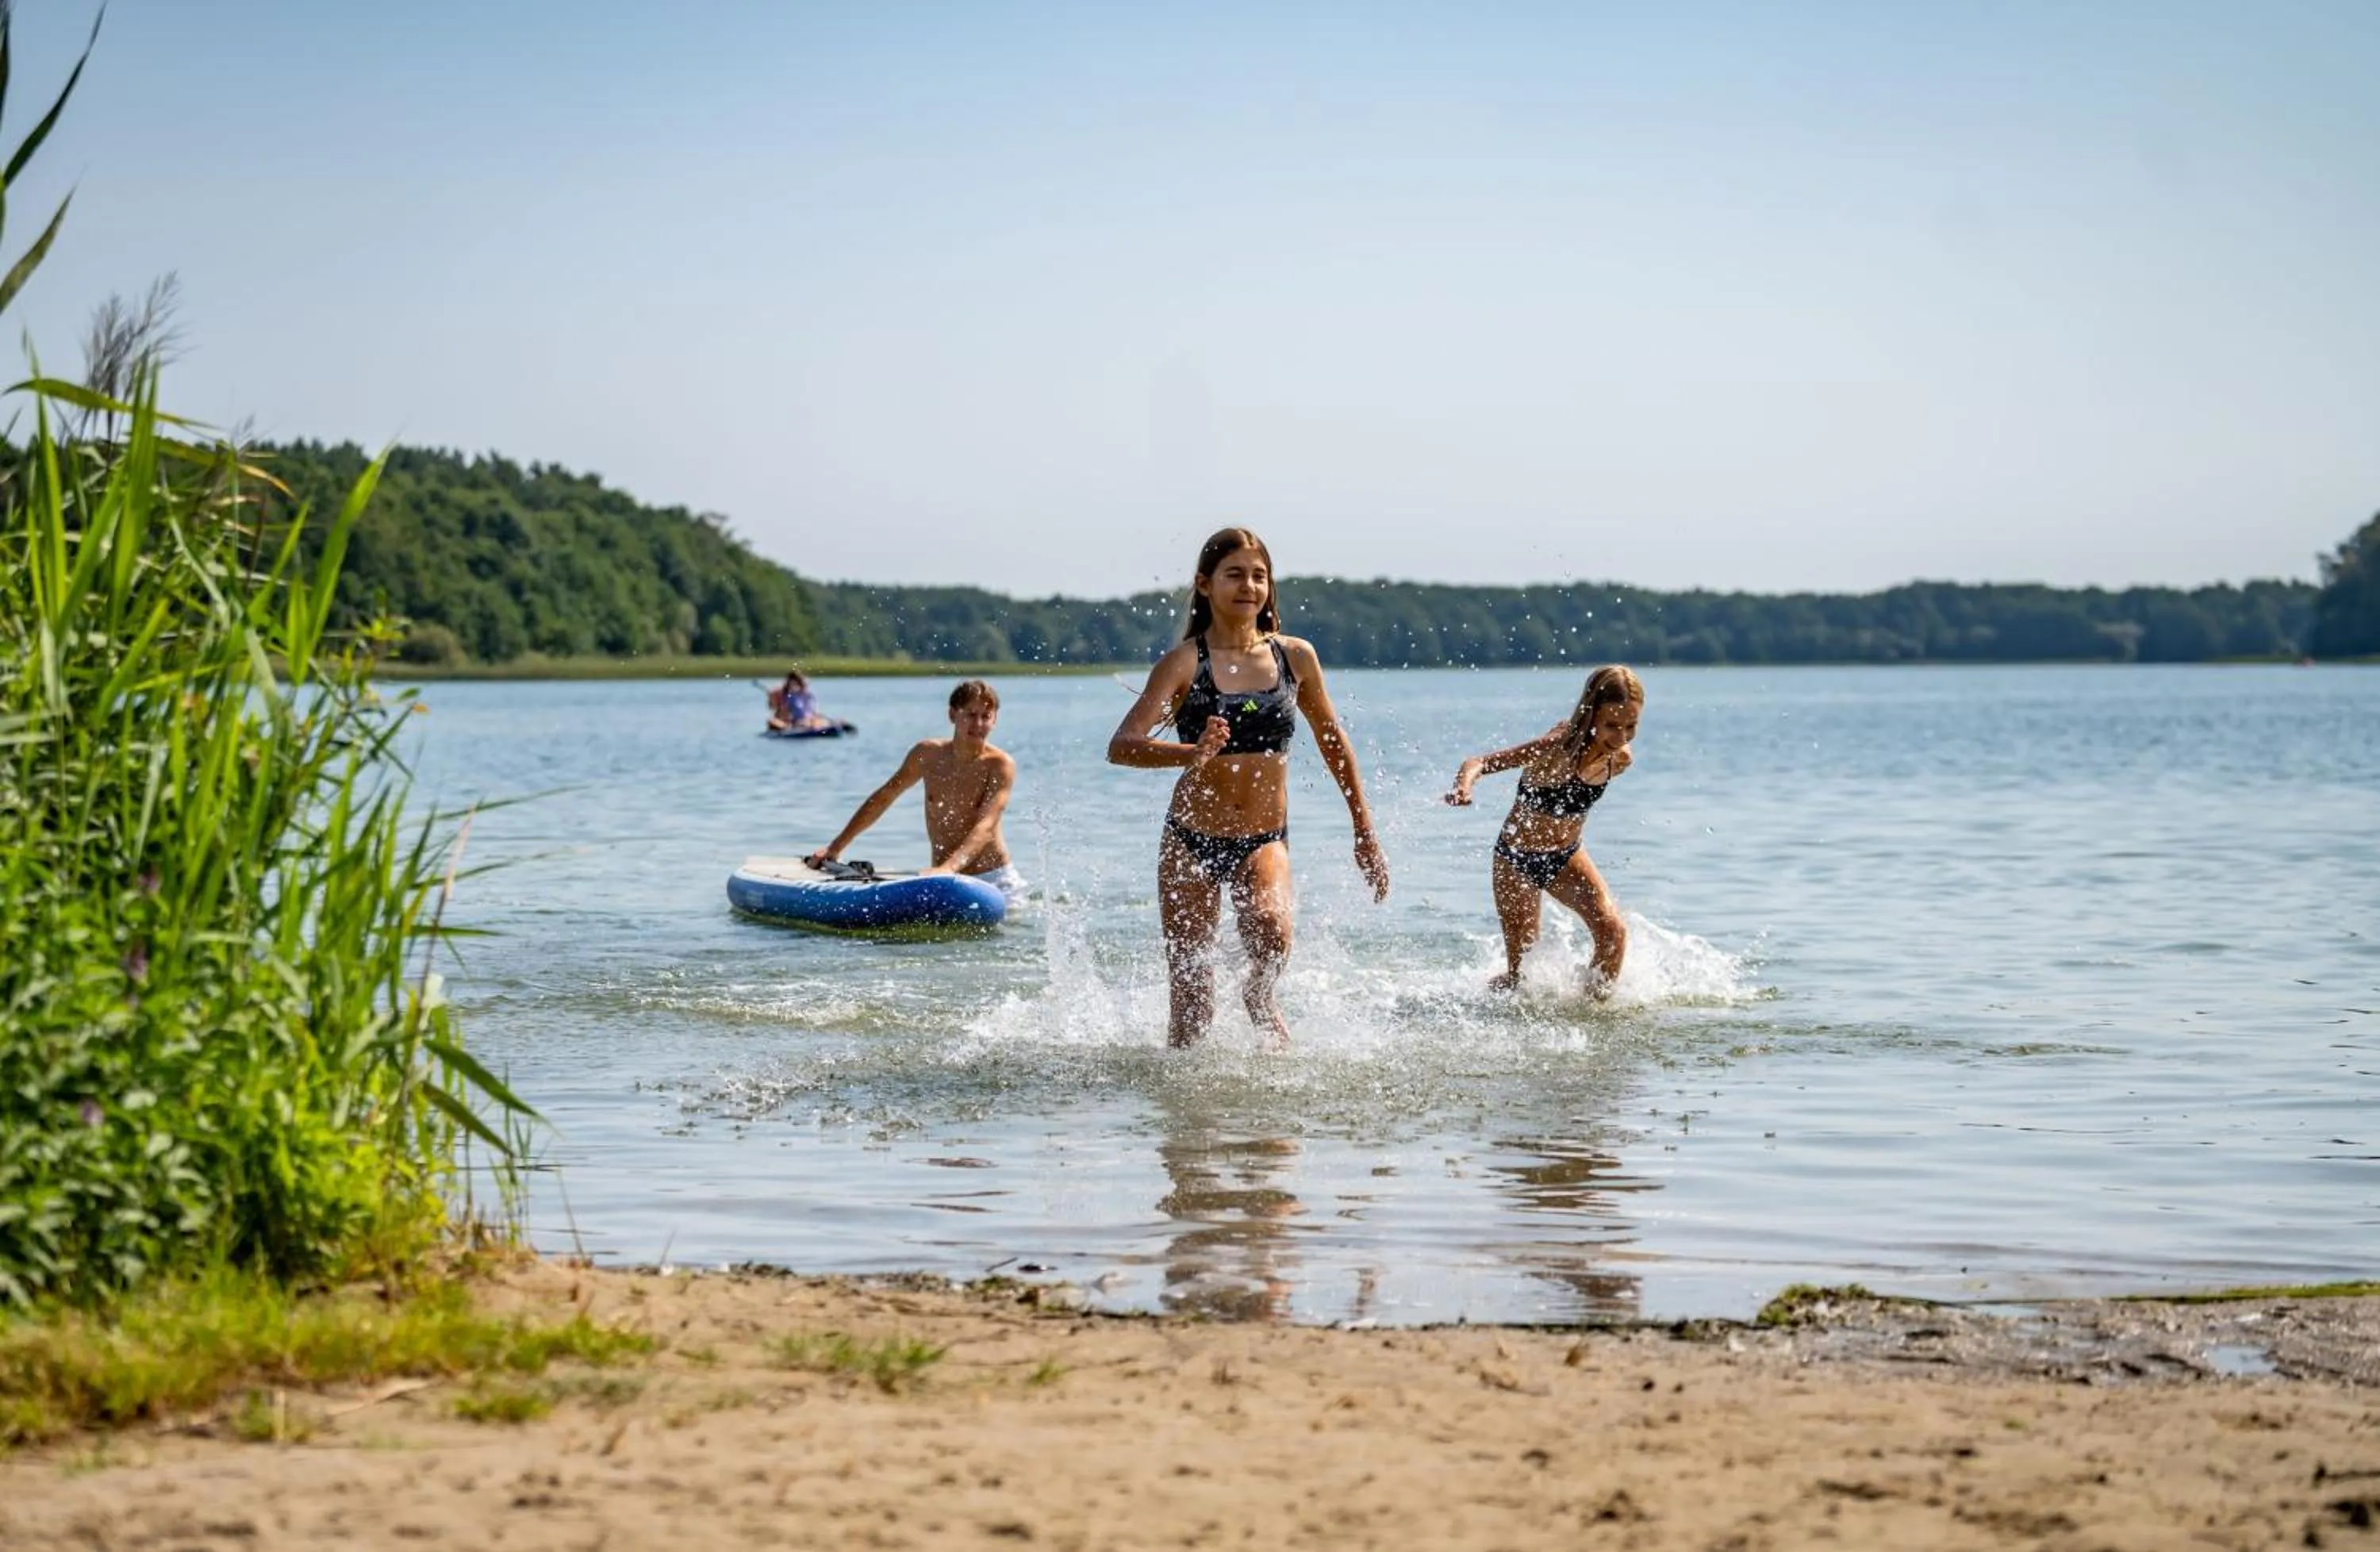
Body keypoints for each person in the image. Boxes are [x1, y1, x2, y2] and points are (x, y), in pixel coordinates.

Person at [1108, 528, 1390, 1048]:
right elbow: (1122, 745)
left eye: (1259, 576)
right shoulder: (1185, 663)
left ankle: (1260, 997)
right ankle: (1188, 1120)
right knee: (1191, 1005)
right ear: (1205, 584)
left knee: (1272, 932)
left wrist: (1364, 829)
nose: (1249, 586)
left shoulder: (1295, 657)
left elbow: (1333, 741)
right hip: (1189, 839)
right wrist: (1190, 753)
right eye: (1234, 574)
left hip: (1263, 837)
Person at [1445, 665, 1644, 995]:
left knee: (1614, 935)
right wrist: (1463, 788)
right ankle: (1480, 1000)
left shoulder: (1619, 760)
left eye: (1631, 726)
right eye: (1611, 725)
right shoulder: (1556, 746)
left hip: (1566, 856)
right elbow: (1478, 762)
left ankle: (1594, 1014)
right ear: (1590, 714)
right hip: (1516, 861)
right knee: (1524, 980)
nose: (1621, 738)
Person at [804, 679, 1024, 898]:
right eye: (970, 715)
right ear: (953, 715)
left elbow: (986, 826)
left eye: (986, 717)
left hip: (993, 881)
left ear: (995, 720)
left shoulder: (1000, 765)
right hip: (945, 879)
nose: (977, 724)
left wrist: (949, 868)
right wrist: (835, 847)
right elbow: (884, 798)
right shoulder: (927, 755)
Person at [766, 669, 835, 735]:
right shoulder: (786, 696)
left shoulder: (808, 695)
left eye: (796, 683)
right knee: (772, 722)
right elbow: (774, 708)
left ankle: (812, 726)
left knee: (814, 722)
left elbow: (813, 711)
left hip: (808, 720)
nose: (794, 686)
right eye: (791, 684)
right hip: (795, 722)